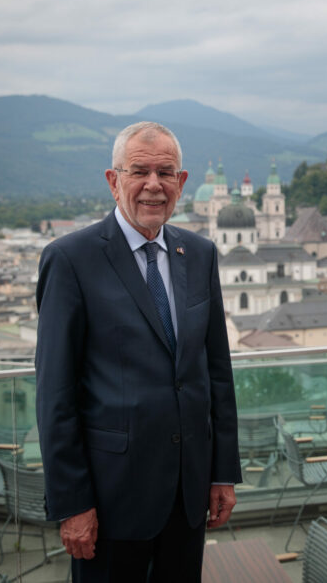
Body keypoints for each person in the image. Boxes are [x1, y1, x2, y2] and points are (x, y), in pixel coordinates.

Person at [35, 122, 241, 583]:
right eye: (139, 172)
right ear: (113, 180)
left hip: (187, 496)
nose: (154, 185)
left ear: (182, 182)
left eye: (165, 172)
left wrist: (222, 472)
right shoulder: (70, 259)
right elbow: (55, 393)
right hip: (111, 499)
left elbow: (216, 373)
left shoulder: (201, 253)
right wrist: (73, 503)